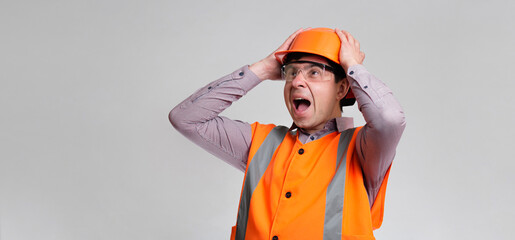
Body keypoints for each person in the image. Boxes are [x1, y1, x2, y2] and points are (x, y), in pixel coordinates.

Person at [169, 27, 406, 240]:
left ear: (342, 88)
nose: (296, 82)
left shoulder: (363, 149)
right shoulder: (260, 142)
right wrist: (260, 70)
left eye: (314, 72)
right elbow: (185, 118)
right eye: (291, 72)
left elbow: (390, 119)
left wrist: (353, 67)